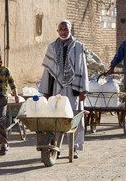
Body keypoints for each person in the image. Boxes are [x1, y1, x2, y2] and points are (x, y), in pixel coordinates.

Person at [38, 19, 89, 159]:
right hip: (57, 88)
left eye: (66, 29)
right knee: (57, 117)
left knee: (74, 118)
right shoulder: (52, 47)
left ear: (70, 30)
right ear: (57, 31)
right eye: (61, 29)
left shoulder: (78, 46)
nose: (63, 32)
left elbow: (83, 68)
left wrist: (83, 90)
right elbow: (47, 70)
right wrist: (46, 91)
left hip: (74, 88)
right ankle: (57, 148)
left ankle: (74, 148)